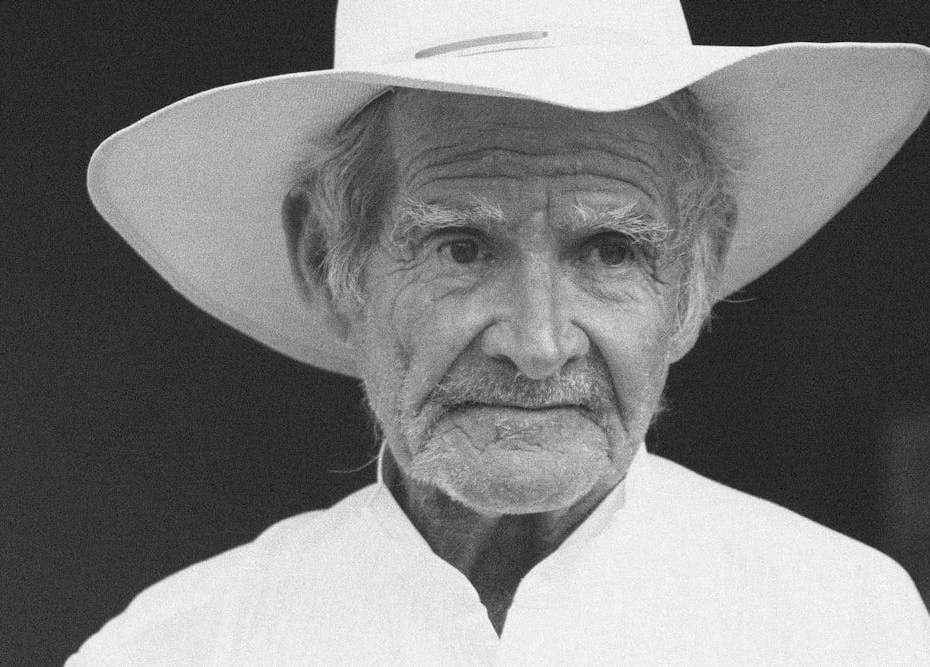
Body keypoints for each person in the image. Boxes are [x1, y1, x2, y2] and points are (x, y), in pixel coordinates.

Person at [68, 0, 930, 663]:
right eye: (462, 246)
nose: (539, 341)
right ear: (326, 260)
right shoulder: (177, 648)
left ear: (695, 276)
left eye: (609, 249)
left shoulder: (844, 625)